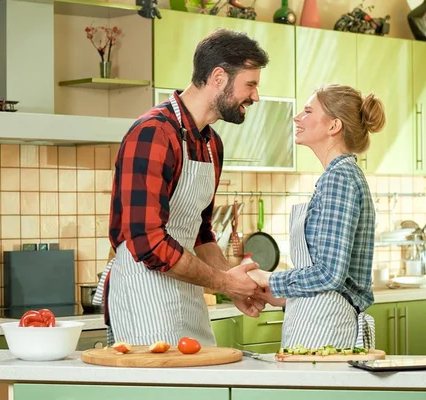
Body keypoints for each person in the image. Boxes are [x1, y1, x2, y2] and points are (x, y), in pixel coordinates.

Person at [93, 28, 270, 347]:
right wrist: (226, 284)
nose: (255, 96)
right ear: (219, 77)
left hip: (188, 292)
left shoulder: (211, 143)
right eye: (251, 84)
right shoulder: (153, 133)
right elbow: (148, 241)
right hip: (143, 295)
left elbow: (201, 233)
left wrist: (234, 281)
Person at [248, 84, 386, 350]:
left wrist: (269, 279)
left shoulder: (339, 178)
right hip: (316, 321)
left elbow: (330, 274)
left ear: (333, 126)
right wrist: (286, 296)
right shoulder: (338, 176)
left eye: (308, 110)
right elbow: (331, 275)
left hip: (327, 328)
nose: (298, 117)